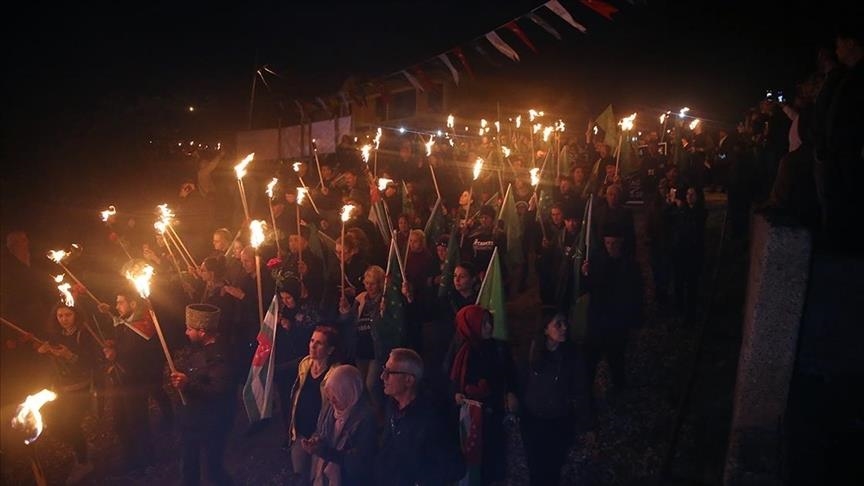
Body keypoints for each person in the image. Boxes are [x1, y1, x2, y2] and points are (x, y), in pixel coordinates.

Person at [446, 305, 518, 485]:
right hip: (468, 415)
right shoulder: (460, 350)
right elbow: (450, 377)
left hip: (493, 411)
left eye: (489, 322)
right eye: (483, 323)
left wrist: (511, 392)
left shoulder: (499, 348)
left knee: (492, 457)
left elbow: (511, 373)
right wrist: (455, 394)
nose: (489, 327)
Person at [520, 312, 594, 486]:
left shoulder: (572, 356)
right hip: (533, 421)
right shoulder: (530, 351)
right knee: (535, 467)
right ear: (545, 329)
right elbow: (521, 381)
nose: (564, 328)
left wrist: (588, 424)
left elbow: (580, 390)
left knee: (554, 467)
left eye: (565, 323)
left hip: (558, 421)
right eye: (558, 324)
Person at [375, 348, 465, 485]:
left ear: (409, 380)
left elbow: (453, 467)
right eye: (384, 370)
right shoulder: (392, 407)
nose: (382, 376)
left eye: (389, 372)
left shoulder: (432, 418)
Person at [170, 304, 235, 486]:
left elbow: (217, 390)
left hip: (211, 423)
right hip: (193, 421)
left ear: (202, 331)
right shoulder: (200, 349)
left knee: (212, 470)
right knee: (189, 467)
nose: (186, 332)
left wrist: (187, 384)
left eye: (190, 329)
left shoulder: (219, 355)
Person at [39, 303, 101, 484]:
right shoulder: (57, 335)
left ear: (76, 315)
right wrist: (44, 352)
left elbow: (91, 363)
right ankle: (83, 447)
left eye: (68, 315)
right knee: (53, 425)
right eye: (60, 316)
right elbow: (54, 361)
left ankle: (83, 462)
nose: (64, 319)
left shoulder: (84, 334)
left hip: (80, 388)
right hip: (60, 389)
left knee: (71, 424)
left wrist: (69, 356)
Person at [301, 364, 377, 486]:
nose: (332, 401)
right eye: (329, 397)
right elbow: (320, 430)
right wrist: (315, 441)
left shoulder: (366, 419)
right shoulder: (330, 408)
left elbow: (360, 461)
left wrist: (326, 452)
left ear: (349, 392)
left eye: (336, 396)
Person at [287, 326, 340, 477]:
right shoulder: (305, 364)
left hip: (320, 437)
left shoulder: (335, 374)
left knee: (317, 477)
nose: (313, 346)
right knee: (299, 475)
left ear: (330, 350)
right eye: (312, 340)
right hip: (300, 433)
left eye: (319, 343)